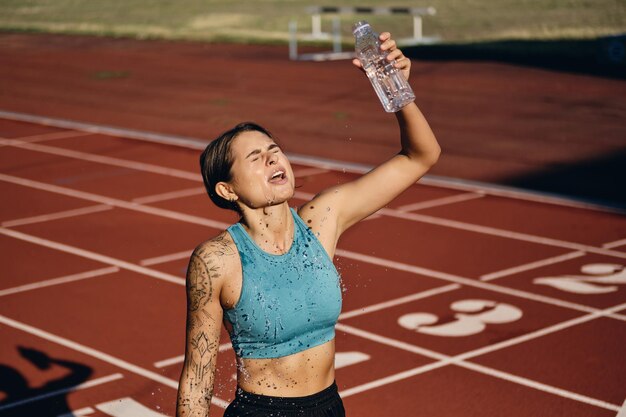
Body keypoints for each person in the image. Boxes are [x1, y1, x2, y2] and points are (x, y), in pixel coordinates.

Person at [176, 31, 441, 417]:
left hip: (329, 407)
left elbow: (422, 156)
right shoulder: (217, 260)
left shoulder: (322, 219)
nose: (272, 159)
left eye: (274, 150)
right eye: (255, 157)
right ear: (227, 189)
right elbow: (198, 378)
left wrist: (397, 89)